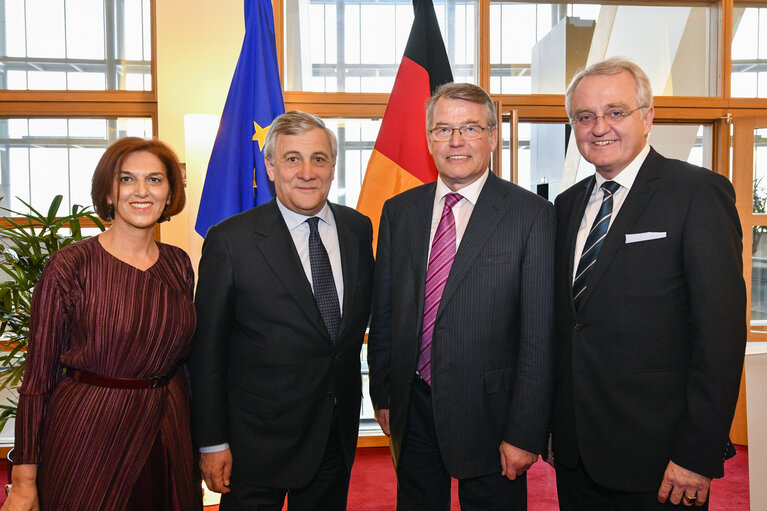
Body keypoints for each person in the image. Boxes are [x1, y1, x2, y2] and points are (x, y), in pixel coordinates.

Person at [552, 57, 746, 510]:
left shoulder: (697, 193)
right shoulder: (564, 207)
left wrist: (697, 455)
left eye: (615, 112)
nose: (600, 127)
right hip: (577, 453)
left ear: (648, 117)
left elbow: (719, 337)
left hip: (661, 461)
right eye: (585, 116)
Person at [368, 82, 555, 511]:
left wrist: (524, 431)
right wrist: (383, 394)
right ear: (429, 137)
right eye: (443, 129)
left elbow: (538, 334)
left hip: (493, 412)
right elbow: (386, 312)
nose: (455, 141)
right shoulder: (400, 211)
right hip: (412, 406)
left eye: (470, 128)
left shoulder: (532, 215)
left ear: (492, 136)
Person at [3, 137, 202, 511]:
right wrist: (24, 481)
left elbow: (186, 363)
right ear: (109, 193)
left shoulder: (178, 264)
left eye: (155, 180)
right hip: (89, 431)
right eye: (127, 179)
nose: (142, 191)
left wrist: (203, 442)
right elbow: (38, 379)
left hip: (167, 430)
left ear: (170, 193)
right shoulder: (71, 265)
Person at [190, 110, 374, 511]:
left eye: (319, 159)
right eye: (292, 159)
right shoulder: (231, 241)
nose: (307, 172)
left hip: (333, 436)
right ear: (271, 167)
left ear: (332, 167)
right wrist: (213, 441)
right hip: (254, 444)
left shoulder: (358, 230)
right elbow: (206, 353)